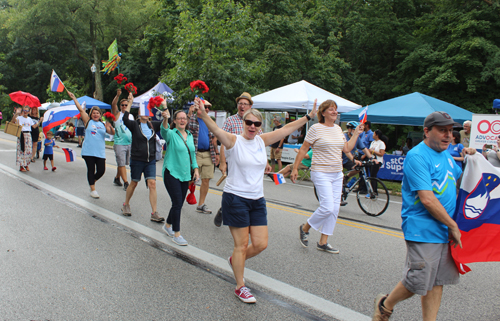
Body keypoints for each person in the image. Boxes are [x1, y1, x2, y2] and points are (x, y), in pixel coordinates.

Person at [194, 96, 317, 304]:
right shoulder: (234, 141)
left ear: (260, 127)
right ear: (243, 123)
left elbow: (286, 129)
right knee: (241, 245)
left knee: (260, 244)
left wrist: (308, 117)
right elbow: (216, 130)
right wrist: (204, 115)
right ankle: (240, 286)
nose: (252, 126)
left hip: (257, 200)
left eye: (256, 124)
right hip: (235, 199)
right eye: (249, 122)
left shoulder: (261, 141)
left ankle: (235, 261)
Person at [372, 111, 477, 321]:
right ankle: (386, 304)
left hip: (444, 229)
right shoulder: (417, 156)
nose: (448, 135)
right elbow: (427, 199)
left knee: (437, 282)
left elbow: (460, 178)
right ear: (427, 131)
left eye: (450, 131)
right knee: (417, 281)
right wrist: (453, 225)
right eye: (442, 130)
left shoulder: (446, 154)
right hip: (423, 229)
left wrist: (471, 158)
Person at [291, 100, 364, 254]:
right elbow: (304, 149)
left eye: (335, 110)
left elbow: (347, 148)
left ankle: (323, 242)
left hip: (337, 173)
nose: (334, 112)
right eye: (331, 109)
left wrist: (356, 133)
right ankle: (305, 228)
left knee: (334, 209)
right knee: (327, 207)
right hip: (320, 172)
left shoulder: (339, 129)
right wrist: (295, 168)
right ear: (323, 113)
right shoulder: (315, 129)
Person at [213, 92, 267, 227]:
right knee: (234, 187)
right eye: (240, 103)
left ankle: (241, 211)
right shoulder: (230, 120)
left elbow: (259, 143)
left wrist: (264, 162)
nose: (242, 106)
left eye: (245, 104)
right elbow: (223, 142)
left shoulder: (255, 122)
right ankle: (226, 209)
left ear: (250, 106)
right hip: (235, 158)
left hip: (250, 160)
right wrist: (223, 162)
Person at [119, 92, 165, 222]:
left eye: (147, 110)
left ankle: (154, 212)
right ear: (139, 112)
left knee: (152, 184)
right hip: (137, 160)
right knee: (134, 183)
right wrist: (129, 102)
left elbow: (166, 122)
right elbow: (125, 119)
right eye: (143, 110)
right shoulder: (135, 125)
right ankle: (126, 204)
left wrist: (163, 106)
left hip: (150, 160)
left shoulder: (152, 125)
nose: (145, 112)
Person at [160, 107, 200, 246]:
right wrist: (165, 118)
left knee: (178, 203)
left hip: (185, 174)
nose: (182, 120)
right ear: (175, 121)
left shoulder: (189, 135)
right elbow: (164, 130)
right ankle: (177, 234)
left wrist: (195, 169)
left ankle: (168, 225)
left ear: (187, 121)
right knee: (177, 203)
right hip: (171, 172)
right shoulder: (171, 134)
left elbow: (192, 154)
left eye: (184, 118)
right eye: (179, 118)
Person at [68, 90, 114, 199]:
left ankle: (91, 181)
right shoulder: (88, 121)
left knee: (101, 170)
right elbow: (80, 109)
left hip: (100, 152)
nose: (95, 114)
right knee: (91, 169)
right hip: (88, 151)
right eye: (94, 113)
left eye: (97, 113)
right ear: (91, 114)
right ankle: (93, 189)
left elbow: (112, 133)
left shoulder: (103, 124)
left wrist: (110, 126)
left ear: (100, 115)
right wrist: (74, 98)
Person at [187, 100, 219, 214]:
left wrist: (217, 153)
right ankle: (179, 198)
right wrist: (191, 113)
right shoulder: (193, 119)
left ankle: (201, 204)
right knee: (191, 179)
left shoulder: (209, 121)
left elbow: (213, 138)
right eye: (205, 107)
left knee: (206, 180)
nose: (207, 109)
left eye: (208, 108)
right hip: (195, 154)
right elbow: (187, 127)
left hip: (208, 153)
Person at [111, 89, 133, 190]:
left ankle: (117, 178)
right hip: (119, 143)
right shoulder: (117, 114)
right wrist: (117, 95)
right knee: (121, 163)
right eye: (122, 105)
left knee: (123, 163)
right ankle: (126, 182)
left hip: (129, 143)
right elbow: (113, 104)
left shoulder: (131, 116)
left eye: (126, 105)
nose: (124, 106)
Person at [12, 106, 43, 172]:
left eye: (27, 111)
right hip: (22, 134)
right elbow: (13, 121)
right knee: (21, 150)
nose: (25, 112)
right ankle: (21, 166)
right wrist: (16, 113)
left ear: (29, 111)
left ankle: (26, 164)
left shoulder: (29, 119)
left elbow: (34, 126)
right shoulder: (19, 118)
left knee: (28, 151)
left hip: (28, 135)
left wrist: (40, 121)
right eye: (24, 110)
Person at [366, 129, 386, 197]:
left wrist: (373, 151)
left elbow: (381, 153)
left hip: (377, 161)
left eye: (374, 134)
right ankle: (373, 190)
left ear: (377, 135)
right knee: (371, 176)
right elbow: (369, 150)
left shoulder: (381, 143)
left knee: (373, 176)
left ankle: (373, 191)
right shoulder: (373, 142)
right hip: (371, 160)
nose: (372, 135)